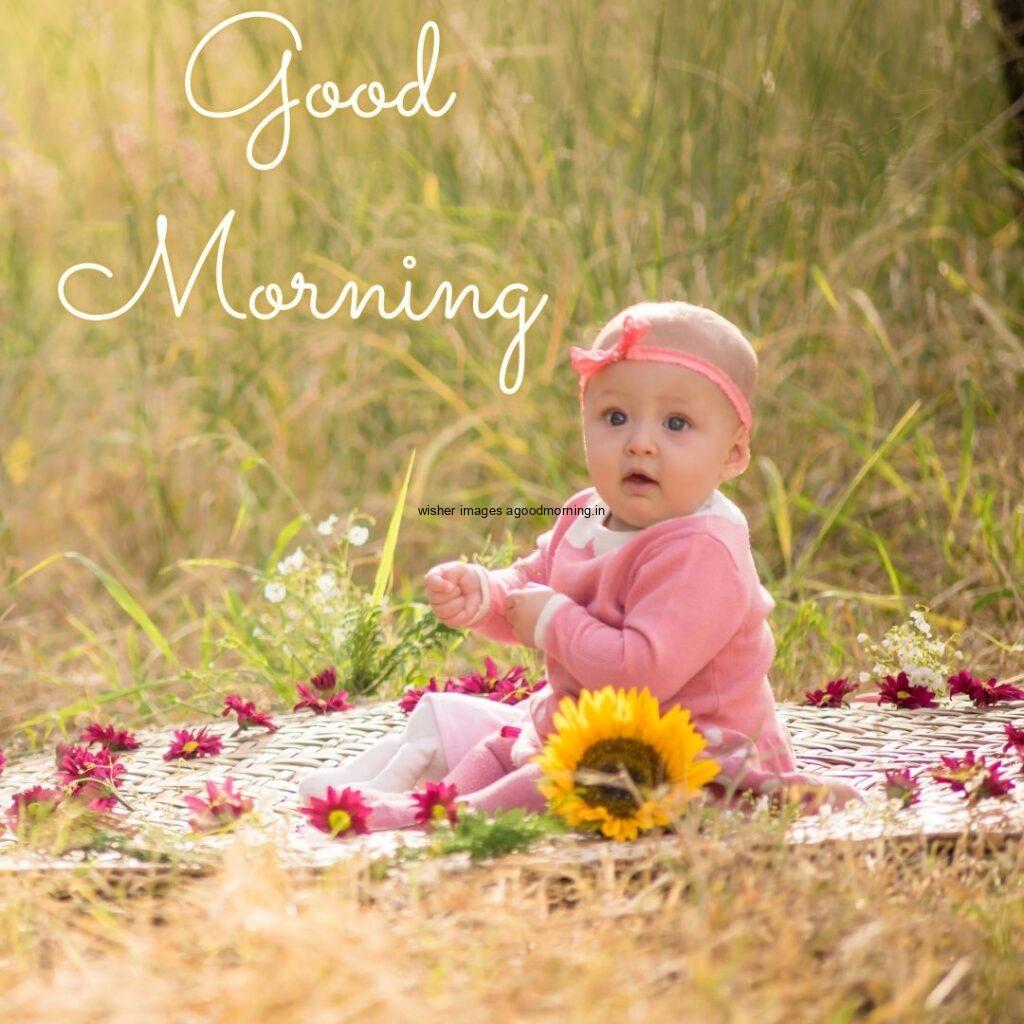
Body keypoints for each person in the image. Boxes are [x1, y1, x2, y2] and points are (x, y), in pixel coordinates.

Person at [298, 301, 865, 829]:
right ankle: (390, 789)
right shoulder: (590, 513)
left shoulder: (703, 551)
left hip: (685, 755)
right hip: (590, 727)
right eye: (615, 417)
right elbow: (533, 582)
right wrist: (489, 594)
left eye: (675, 424)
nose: (639, 443)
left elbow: (641, 671)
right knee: (487, 735)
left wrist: (551, 622)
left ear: (734, 453)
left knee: (562, 778)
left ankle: (438, 816)